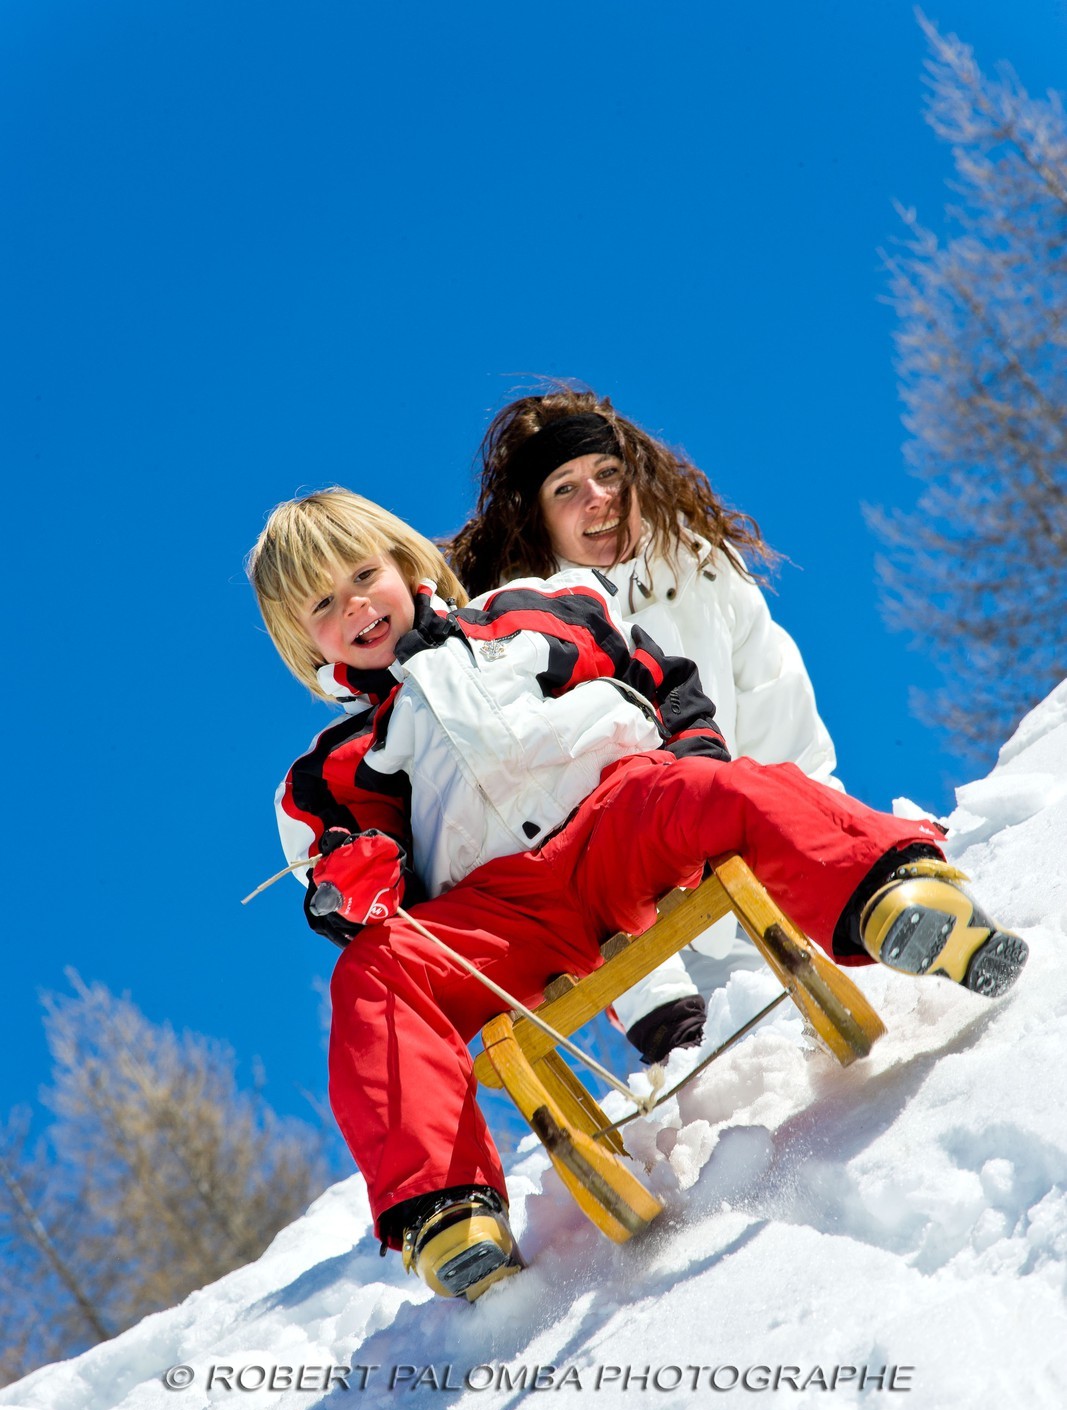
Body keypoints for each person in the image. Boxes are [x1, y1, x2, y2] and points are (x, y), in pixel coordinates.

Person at [247, 488, 1027, 1304]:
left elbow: (659, 678)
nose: (356, 607)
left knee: (735, 791)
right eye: (323, 607)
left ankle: (894, 896)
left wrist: (693, 761)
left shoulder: (533, 612)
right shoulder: (330, 768)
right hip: (501, 909)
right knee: (376, 974)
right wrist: (357, 881)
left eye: (364, 575)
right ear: (304, 643)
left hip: (616, 815)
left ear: (406, 564)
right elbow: (337, 885)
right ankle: (447, 1210)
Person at [449, 389, 843, 1064]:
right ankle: (676, 1039)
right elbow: (549, 825)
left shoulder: (704, 571)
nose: (595, 498)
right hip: (651, 930)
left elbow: (780, 713)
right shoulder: (519, 639)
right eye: (565, 487)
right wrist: (654, 999)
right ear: (538, 520)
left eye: (607, 474)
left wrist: (823, 850)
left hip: (759, 866)